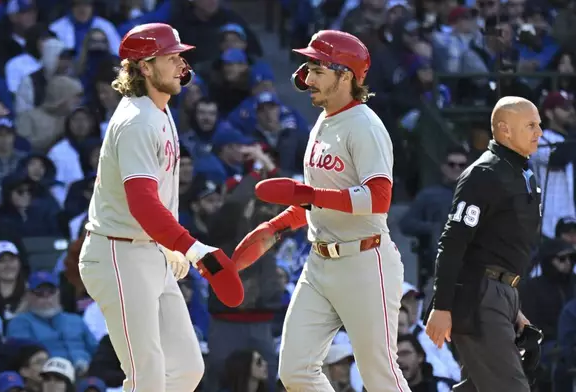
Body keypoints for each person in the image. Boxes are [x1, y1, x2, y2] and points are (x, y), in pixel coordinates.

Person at [232, 30, 410, 391]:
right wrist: (279, 226)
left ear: (345, 75)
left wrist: (306, 193)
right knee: (295, 371)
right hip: (319, 261)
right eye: (307, 68)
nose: (307, 78)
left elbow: (378, 198)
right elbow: (319, 200)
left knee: (380, 376)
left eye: (317, 69)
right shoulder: (324, 121)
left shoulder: (365, 125)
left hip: (364, 259)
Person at [76, 23, 244, 392]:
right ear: (144, 67)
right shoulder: (137, 119)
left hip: (149, 250)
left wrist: (170, 246)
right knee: (146, 377)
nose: (180, 64)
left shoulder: (160, 110)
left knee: (185, 369)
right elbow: (142, 204)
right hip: (118, 253)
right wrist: (194, 248)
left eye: (180, 56)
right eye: (171, 57)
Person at [425, 96, 543, 392]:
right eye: (530, 125)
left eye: (538, 125)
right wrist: (442, 306)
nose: (539, 132)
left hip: (502, 293)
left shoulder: (519, 172)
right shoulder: (484, 173)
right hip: (481, 297)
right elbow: (453, 242)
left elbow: (498, 247)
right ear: (504, 130)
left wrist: (512, 305)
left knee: (477, 388)